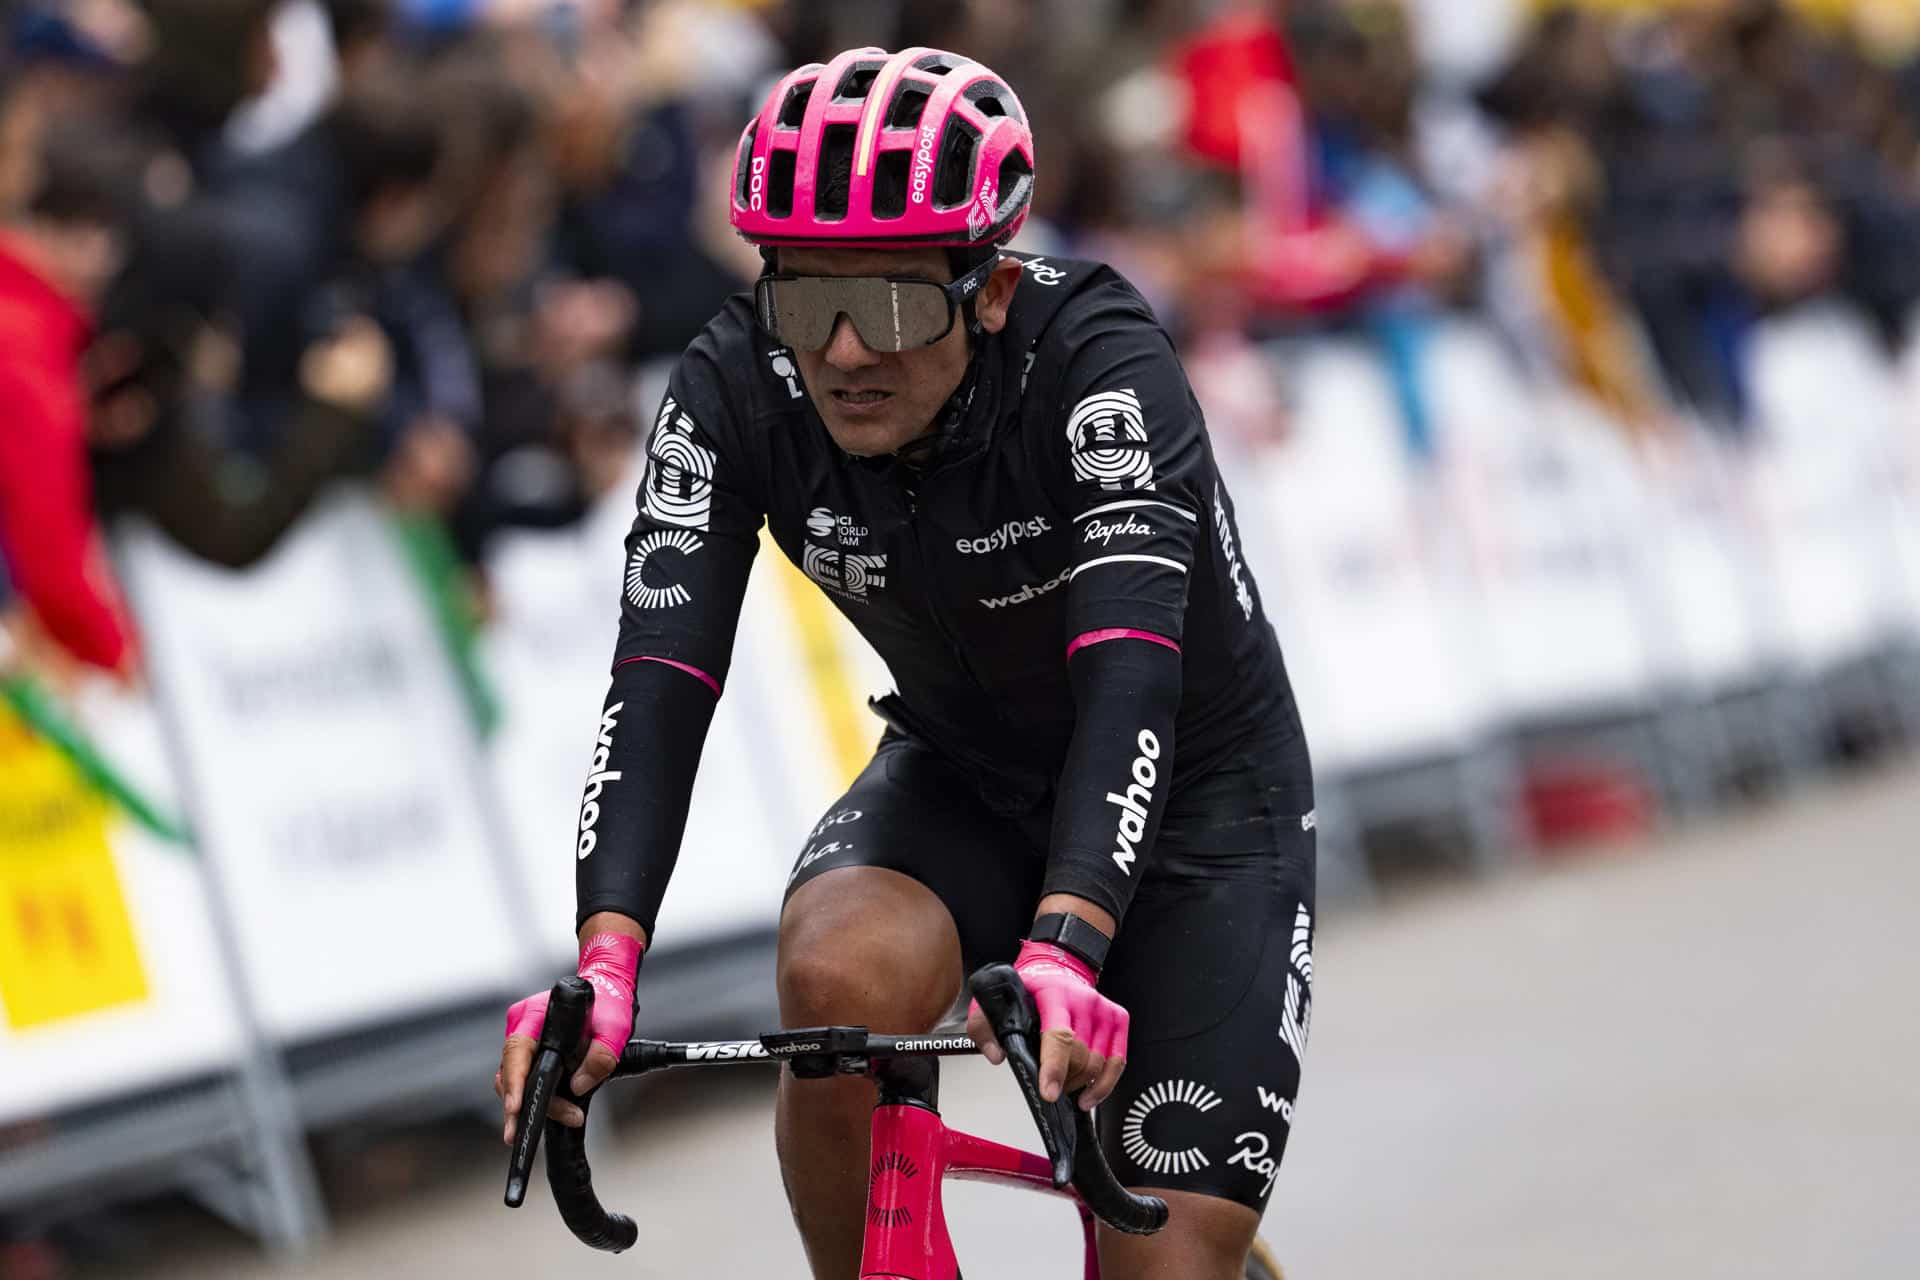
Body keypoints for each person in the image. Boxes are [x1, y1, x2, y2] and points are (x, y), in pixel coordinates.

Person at [496, 45, 1317, 1279]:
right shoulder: (733, 384)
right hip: (965, 773)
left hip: (1200, 797)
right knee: (836, 975)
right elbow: (660, 679)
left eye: (886, 305)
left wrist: (1068, 939)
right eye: (802, 299)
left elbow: (1131, 675)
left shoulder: (1096, 364)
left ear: (986, 289)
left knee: (1162, 1267)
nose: (839, 353)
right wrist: (606, 957)